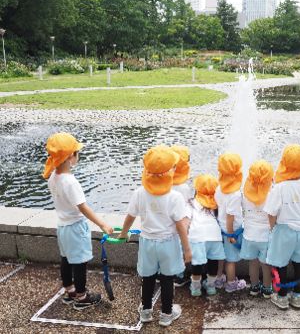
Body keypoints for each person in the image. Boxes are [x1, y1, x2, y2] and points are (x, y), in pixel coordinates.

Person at [119, 145, 192, 327]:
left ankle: (145, 311)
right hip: (168, 243)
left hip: (147, 243)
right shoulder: (174, 197)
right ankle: (166, 314)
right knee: (167, 279)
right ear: (169, 173)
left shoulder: (139, 192)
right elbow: (181, 226)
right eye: (173, 167)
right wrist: (187, 249)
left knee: (148, 278)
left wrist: (123, 233)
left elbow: (130, 216)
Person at [43, 132, 114, 310]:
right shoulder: (70, 181)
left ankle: (70, 291)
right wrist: (103, 224)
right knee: (80, 263)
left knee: (66, 260)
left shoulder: (53, 177)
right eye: (76, 152)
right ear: (70, 157)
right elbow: (83, 208)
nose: (78, 155)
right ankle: (82, 297)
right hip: (75, 227)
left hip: (63, 227)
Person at [264, 144, 300, 310]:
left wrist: (272, 228)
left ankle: (281, 297)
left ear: (284, 164)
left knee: (280, 264)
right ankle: (298, 296)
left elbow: (271, 213)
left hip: (283, 230)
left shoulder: (279, 188)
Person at [239, 160, 274, 298]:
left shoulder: (244, 192)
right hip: (265, 236)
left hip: (249, 235)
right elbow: (273, 216)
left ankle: (254, 287)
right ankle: (267, 289)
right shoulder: (272, 194)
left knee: (252, 263)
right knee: (266, 265)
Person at [188, 174, 225, 297]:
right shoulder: (216, 204)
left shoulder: (191, 203)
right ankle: (210, 287)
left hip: (197, 237)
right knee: (213, 263)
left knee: (197, 264)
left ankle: (196, 288)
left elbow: (186, 221)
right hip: (214, 237)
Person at [214, 153, 246, 292]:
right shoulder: (235, 194)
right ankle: (231, 283)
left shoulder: (219, 188)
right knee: (231, 260)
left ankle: (219, 279)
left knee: (221, 256)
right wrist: (231, 235)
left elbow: (217, 207)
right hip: (230, 230)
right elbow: (230, 217)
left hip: (219, 227)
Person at [170, 145, 193, 288]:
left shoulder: (164, 183)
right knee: (178, 249)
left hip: (166, 224)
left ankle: (162, 274)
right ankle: (178, 277)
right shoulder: (183, 187)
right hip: (179, 225)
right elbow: (187, 207)